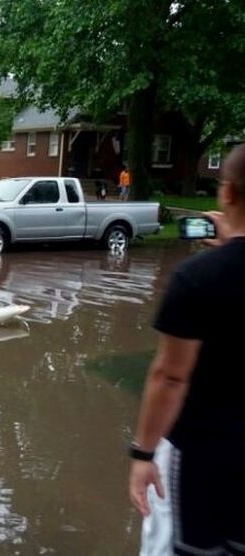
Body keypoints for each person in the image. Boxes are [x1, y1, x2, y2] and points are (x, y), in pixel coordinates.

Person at [128, 144, 245, 554]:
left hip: (202, 456)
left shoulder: (196, 279)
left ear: (227, 193)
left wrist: (142, 454)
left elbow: (170, 376)